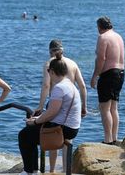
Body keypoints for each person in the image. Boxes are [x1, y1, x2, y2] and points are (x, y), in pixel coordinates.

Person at [18, 54, 82, 175]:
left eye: (48, 71)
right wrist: (39, 118)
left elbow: (52, 112)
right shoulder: (70, 85)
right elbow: (55, 112)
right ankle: (34, 169)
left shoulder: (59, 88)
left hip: (63, 129)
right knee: (30, 132)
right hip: (71, 127)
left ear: (52, 71)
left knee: (24, 135)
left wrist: (36, 121)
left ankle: (29, 171)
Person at [34, 39, 87, 173]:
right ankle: (65, 170)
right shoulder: (73, 63)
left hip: (55, 103)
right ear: (62, 50)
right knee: (66, 139)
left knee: (53, 137)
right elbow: (82, 86)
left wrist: (40, 107)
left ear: (50, 51)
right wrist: (84, 106)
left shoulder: (50, 64)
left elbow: (46, 86)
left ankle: (51, 170)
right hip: (71, 105)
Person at [91, 16, 125, 145]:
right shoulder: (118, 37)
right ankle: (114, 138)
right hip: (121, 73)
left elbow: (101, 59)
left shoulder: (103, 37)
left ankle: (107, 140)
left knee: (104, 108)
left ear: (100, 27)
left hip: (109, 74)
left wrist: (95, 76)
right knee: (113, 107)